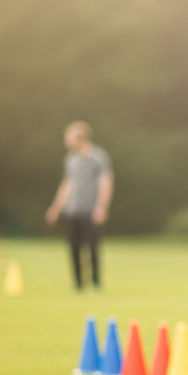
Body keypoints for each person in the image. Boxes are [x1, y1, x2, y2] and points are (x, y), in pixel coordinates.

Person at [46, 121, 113, 291]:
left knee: (92, 247)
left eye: (68, 137)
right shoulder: (70, 159)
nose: (66, 141)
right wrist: (56, 207)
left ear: (80, 138)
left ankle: (95, 282)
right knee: (73, 247)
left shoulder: (98, 157)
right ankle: (78, 283)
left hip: (90, 210)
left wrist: (102, 206)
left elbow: (105, 182)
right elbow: (66, 184)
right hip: (72, 210)